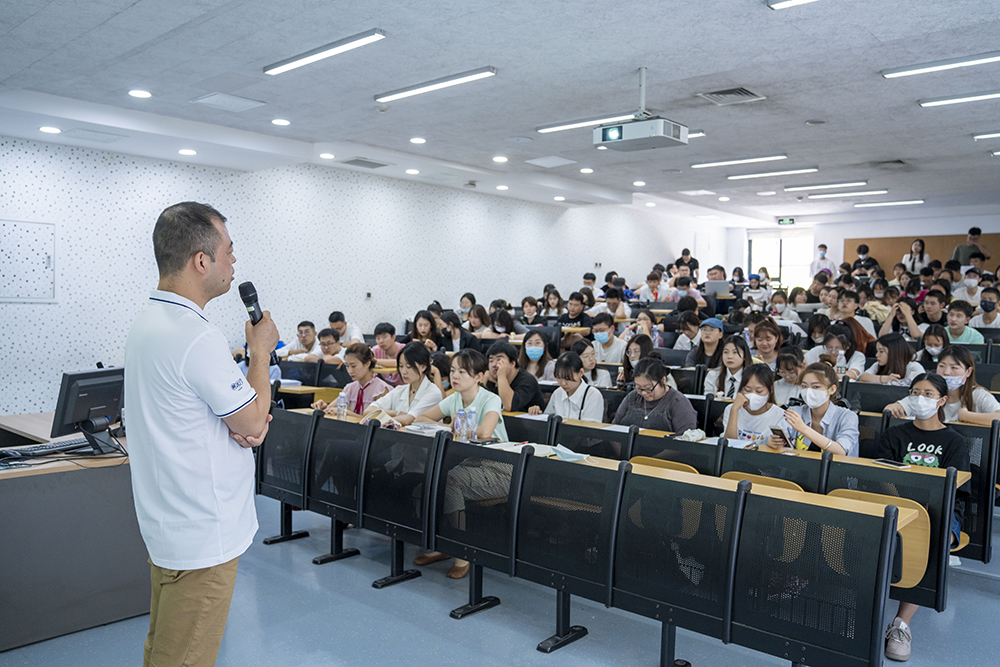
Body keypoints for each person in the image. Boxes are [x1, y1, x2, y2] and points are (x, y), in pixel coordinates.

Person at [124, 202, 277, 667]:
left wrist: (242, 421)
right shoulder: (195, 336)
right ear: (201, 261)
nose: (234, 261)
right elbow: (253, 423)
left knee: (163, 650)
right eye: (229, 251)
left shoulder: (148, 321)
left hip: (169, 521)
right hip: (202, 534)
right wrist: (260, 353)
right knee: (184, 658)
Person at [875, 372, 971, 663]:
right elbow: (880, 478)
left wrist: (923, 512)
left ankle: (900, 625)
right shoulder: (893, 435)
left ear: (942, 400)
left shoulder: (955, 442)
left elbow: (956, 491)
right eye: (915, 392)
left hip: (940, 511)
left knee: (932, 537)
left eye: (928, 394)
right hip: (897, 505)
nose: (920, 398)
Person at [414, 349, 507, 579]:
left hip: (499, 466)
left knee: (451, 481)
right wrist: (448, 426)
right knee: (427, 482)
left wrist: (460, 426)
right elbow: (421, 418)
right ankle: (442, 544)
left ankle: (461, 553)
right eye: (453, 370)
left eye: (462, 372)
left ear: (478, 377)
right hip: (470, 463)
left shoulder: (490, 399)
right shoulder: (454, 398)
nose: (455, 376)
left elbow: (486, 432)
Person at [887, 346, 1000, 425]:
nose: (946, 372)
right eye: (941, 366)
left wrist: (966, 416)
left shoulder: (978, 394)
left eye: (954, 367)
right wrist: (895, 408)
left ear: (968, 372)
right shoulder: (928, 391)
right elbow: (891, 408)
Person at [766, 361, 859, 456]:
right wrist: (771, 440)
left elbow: (841, 451)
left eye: (816, 386)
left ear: (831, 389)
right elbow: (775, 436)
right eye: (804, 386)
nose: (808, 391)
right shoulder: (795, 412)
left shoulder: (848, 417)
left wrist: (804, 429)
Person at [361, 342, 444, 425]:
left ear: (423, 367)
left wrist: (381, 419)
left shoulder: (433, 392)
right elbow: (368, 411)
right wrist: (396, 413)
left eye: (409, 367)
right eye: (401, 366)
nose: (403, 372)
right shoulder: (400, 390)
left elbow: (408, 419)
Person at [613, 358, 698, 432]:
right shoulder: (632, 397)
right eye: (638, 387)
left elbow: (685, 440)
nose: (643, 393)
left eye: (648, 388)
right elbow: (614, 428)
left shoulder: (678, 403)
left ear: (663, 380)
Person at [313, 343, 391, 416]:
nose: (350, 371)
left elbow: (376, 420)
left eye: (353, 366)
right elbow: (331, 408)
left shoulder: (381, 389)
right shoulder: (350, 388)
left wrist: (346, 413)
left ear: (367, 363)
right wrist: (324, 407)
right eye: (347, 366)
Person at [527, 352, 606, 422]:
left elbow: (590, 429)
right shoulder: (557, 393)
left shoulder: (593, 395)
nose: (563, 383)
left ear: (581, 372)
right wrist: (538, 414)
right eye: (559, 378)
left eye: (568, 379)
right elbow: (548, 420)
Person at [722, 365, 787, 446]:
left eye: (759, 391)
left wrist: (772, 444)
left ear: (771, 390)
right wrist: (734, 410)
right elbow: (729, 444)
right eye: (747, 390)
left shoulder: (780, 415)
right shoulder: (731, 409)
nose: (753, 395)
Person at [484, 341, 544, 412]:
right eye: (491, 361)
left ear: (512, 363)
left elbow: (510, 405)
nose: (494, 364)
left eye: (499, 360)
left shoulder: (527, 380)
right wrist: (483, 380)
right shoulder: (490, 379)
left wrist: (501, 375)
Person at [859, 333, 923, 385]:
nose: (877, 355)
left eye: (881, 351)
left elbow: (922, 384)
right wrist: (887, 379)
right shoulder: (877, 365)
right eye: (877, 351)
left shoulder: (913, 367)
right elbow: (863, 377)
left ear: (894, 352)